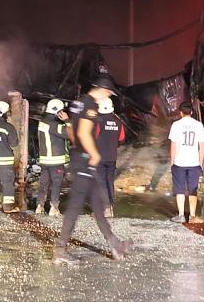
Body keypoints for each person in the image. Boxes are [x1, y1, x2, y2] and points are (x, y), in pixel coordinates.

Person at [53, 76, 134, 265]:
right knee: (75, 205)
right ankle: (60, 249)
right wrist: (93, 154)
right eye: (109, 93)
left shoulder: (78, 103)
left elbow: (72, 131)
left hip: (80, 158)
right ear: (103, 90)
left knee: (98, 205)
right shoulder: (90, 105)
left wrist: (78, 149)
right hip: (85, 161)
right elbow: (83, 132)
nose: (108, 96)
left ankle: (115, 244)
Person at [168, 101, 204, 224]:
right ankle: (192, 216)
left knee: (179, 188)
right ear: (192, 112)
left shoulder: (176, 125)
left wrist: (172, 161)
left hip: (179, 162)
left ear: (180, 112)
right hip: (194, 162)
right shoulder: (198, 125)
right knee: (193, 189)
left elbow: (173, 145)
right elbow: (201, 145)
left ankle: (181, 215)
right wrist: (200, 161)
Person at [35, 98, 70, 216]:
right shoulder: (55, 125)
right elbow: (69, 134)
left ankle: (39, 206)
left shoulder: (43, 122)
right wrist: (67, 120)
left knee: (44, 184)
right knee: (56, 184)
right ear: (58, 112)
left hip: (45, 160)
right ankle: (54, 208)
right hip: (56, 160)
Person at [95, 96, 125, 218]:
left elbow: (93, 137)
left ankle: (106, 207)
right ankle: (110, 206)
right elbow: (122, 139)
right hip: (112, 157)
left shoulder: (98, 121)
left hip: (100, 156)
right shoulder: (118, 122)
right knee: (109, 181)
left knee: (101, 182)